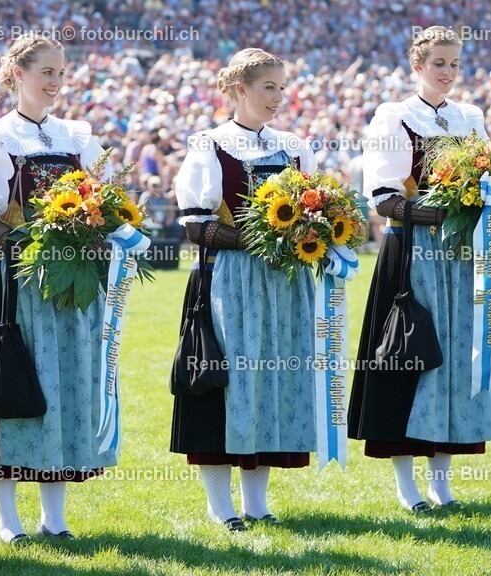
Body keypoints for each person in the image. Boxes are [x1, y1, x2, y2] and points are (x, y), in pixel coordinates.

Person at [348, 26, 491, 513]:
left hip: (464, 258)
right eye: (438, 64)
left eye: (454, 63)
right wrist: (442, 210)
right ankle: (406, 485)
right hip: (412, 255)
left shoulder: (470, 117)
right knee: (410, 357)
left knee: (452, 365)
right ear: (417, 65)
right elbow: (384, 199)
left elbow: (489, 180)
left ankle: (441, 483)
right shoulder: (394, 117)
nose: (447, 72)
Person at [0, 35, 113, 544]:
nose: (55, 82)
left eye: (60, 73)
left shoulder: (79, 136)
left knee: (63, 389)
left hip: (70, 286)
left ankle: (55, 517)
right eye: (45, 72)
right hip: (12, 285)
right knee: (9, 386)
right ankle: (7, 517)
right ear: (17, 74)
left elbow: (107, 204)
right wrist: (34, 249)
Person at [171, 48, 317, 531]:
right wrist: (263, 238)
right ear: (239, 90)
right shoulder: (210, 146)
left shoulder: (294, 147)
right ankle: (220, 505)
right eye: (268, 87)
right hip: (227, 281)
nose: (278, 96)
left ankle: (257, 503)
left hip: (283, 285)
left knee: (271, 383)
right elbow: (195, 225)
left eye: (281, 87)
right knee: (224, 382)